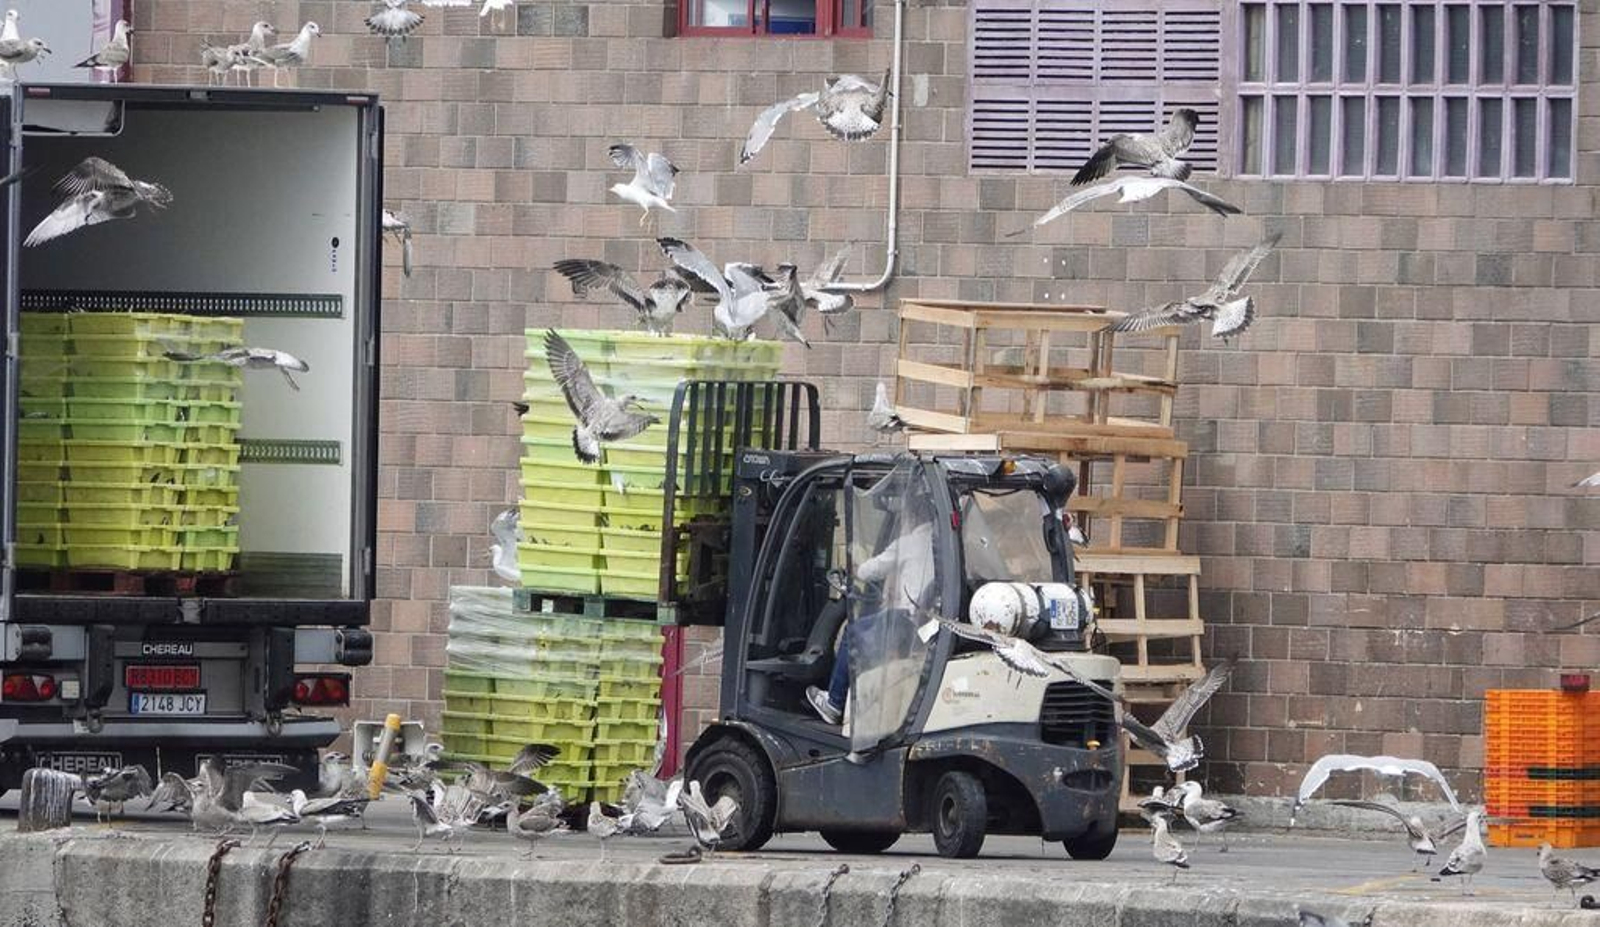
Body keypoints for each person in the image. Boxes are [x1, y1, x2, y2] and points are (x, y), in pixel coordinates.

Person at [805, 518, 935, 726]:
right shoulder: (940, 547)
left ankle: (834, 703)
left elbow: (870, 571)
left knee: (852, 633)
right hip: (926, 627)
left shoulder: (910, 542)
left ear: (912, 515)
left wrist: (856, 569)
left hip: (905, 622)